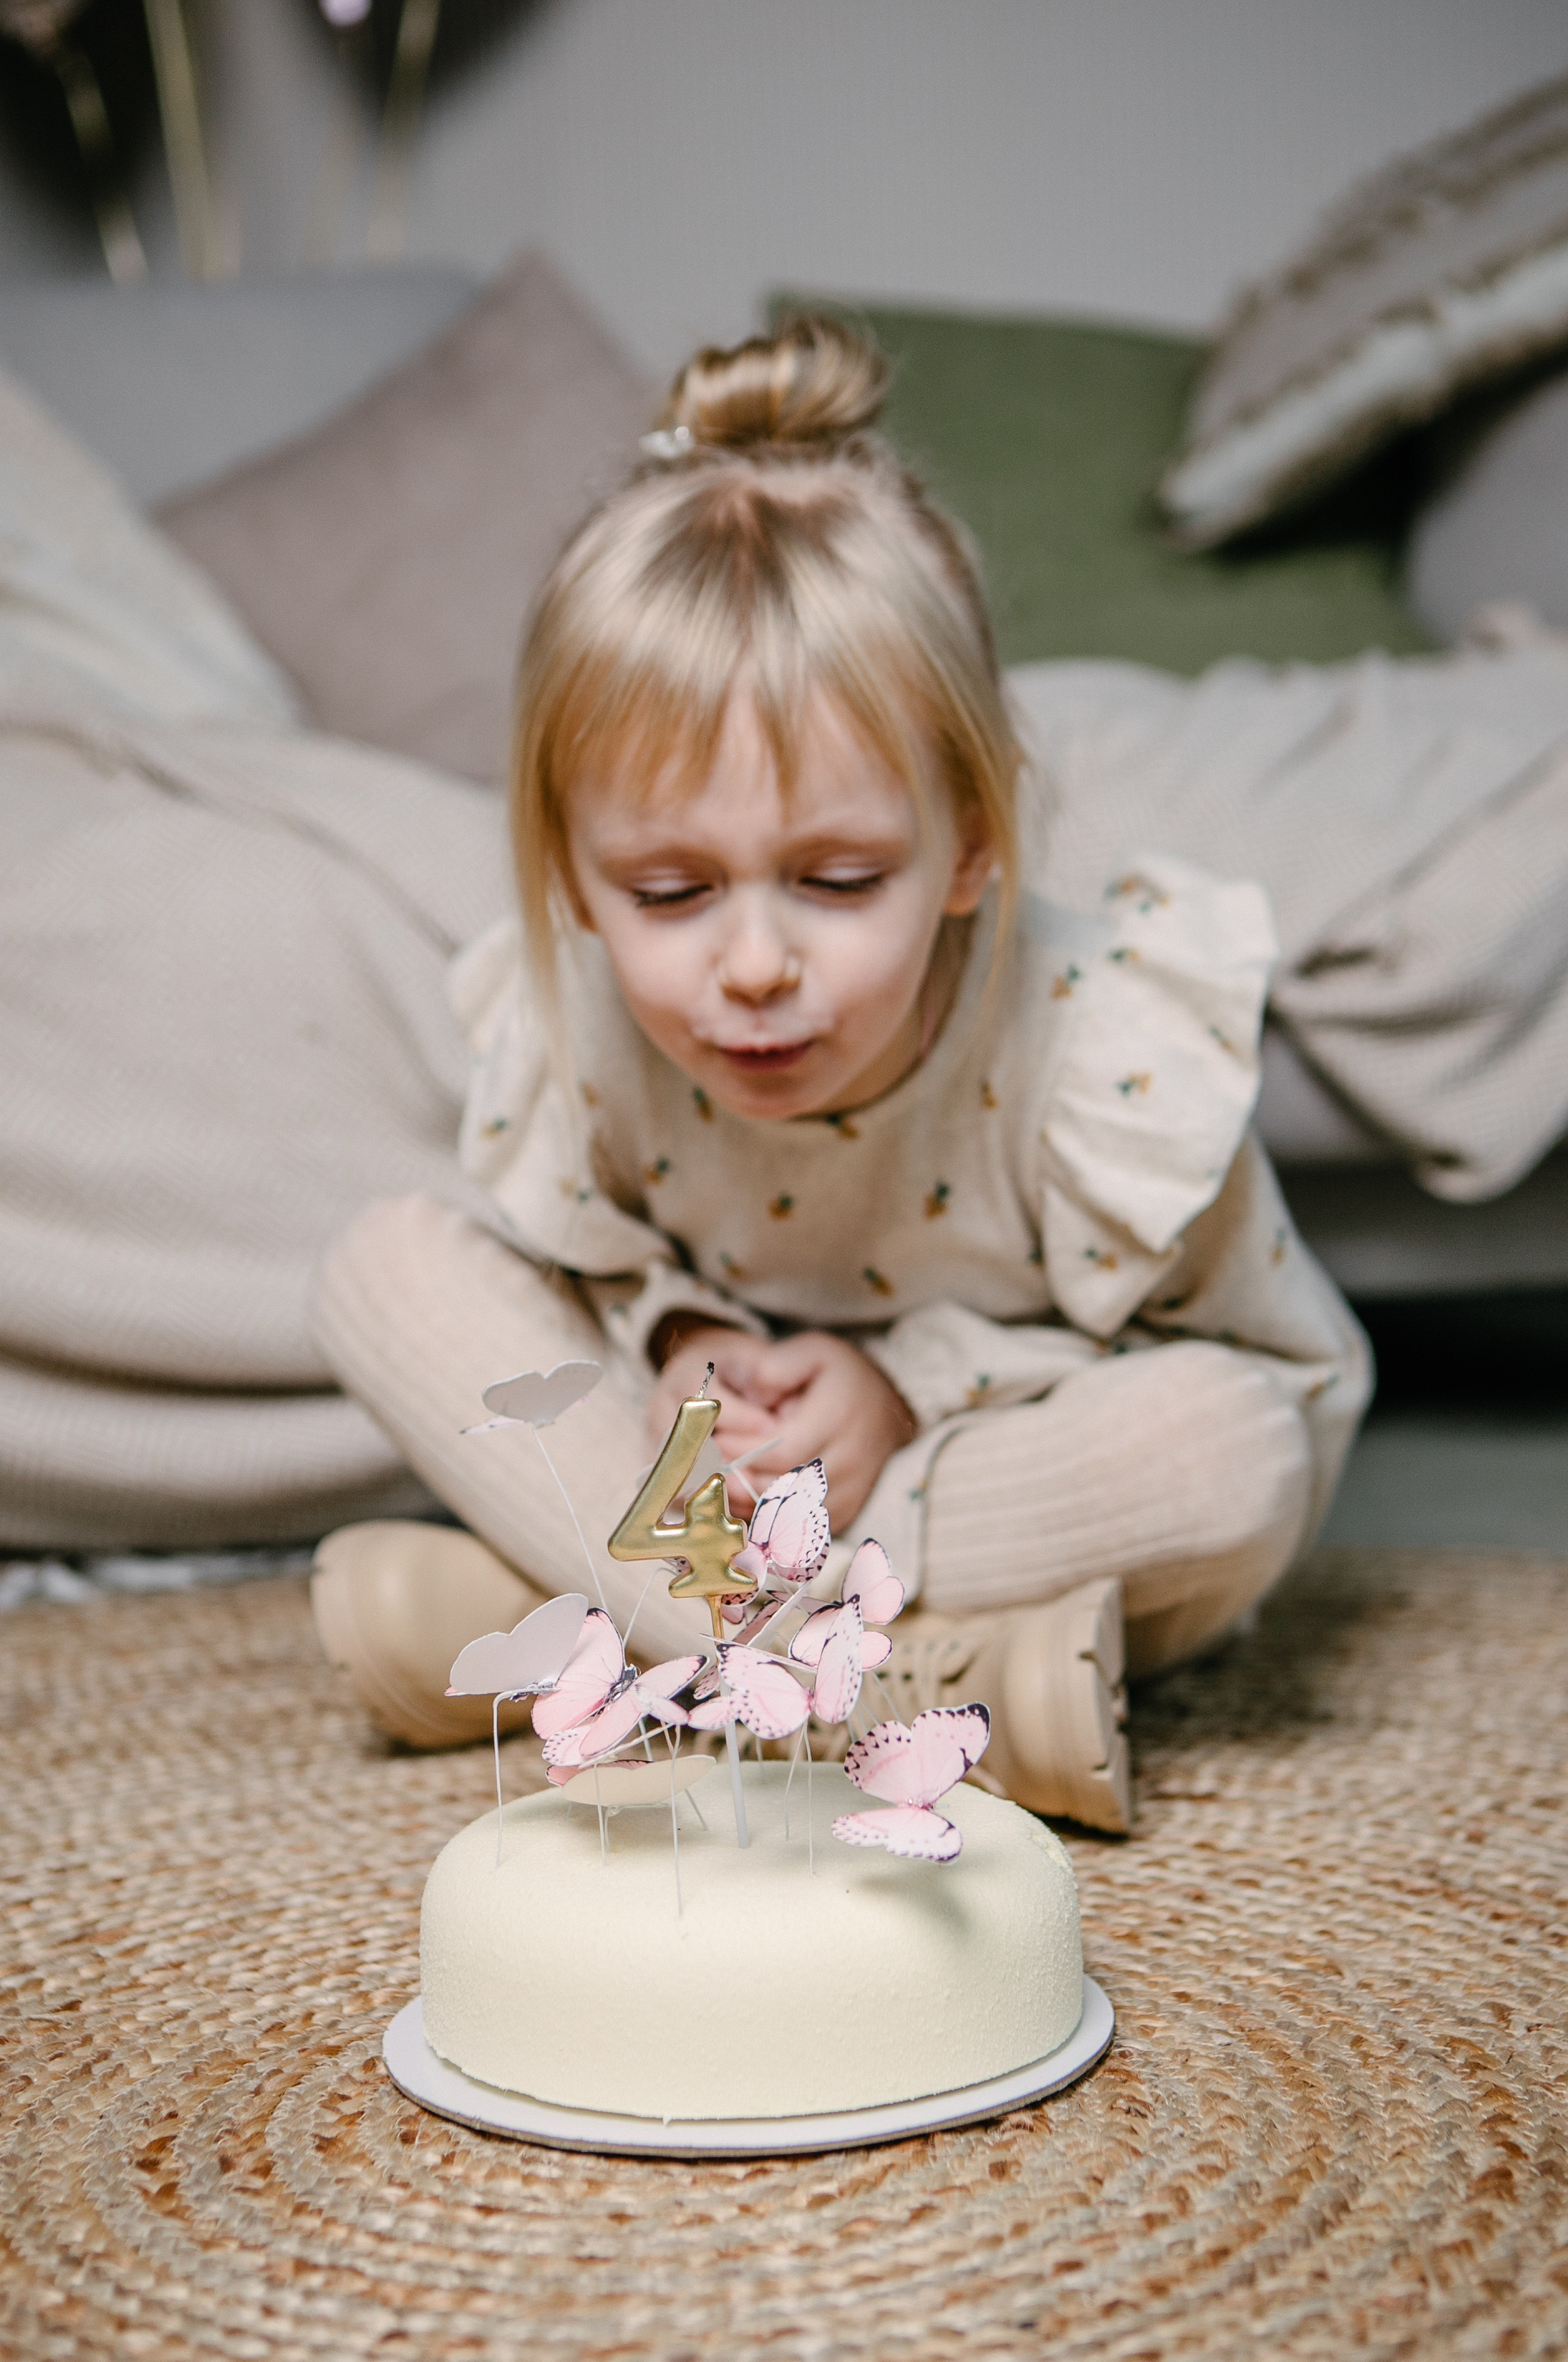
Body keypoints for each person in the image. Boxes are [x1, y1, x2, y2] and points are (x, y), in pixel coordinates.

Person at [308, 317, 1370, 1832]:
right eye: (668, 895)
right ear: (571, 876)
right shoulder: (590, 1024)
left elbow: (1283, 1387)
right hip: (723, 1504)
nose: (748, 968)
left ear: (974, 841)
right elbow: (585, 1265)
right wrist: (673, 1333)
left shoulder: (1093, 1046)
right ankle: (917, 1700)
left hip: (971, 1477)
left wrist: (907, 1398)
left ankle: (577, 1641)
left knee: (1223, 1453)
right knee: (379, 1265)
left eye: (836, 878)